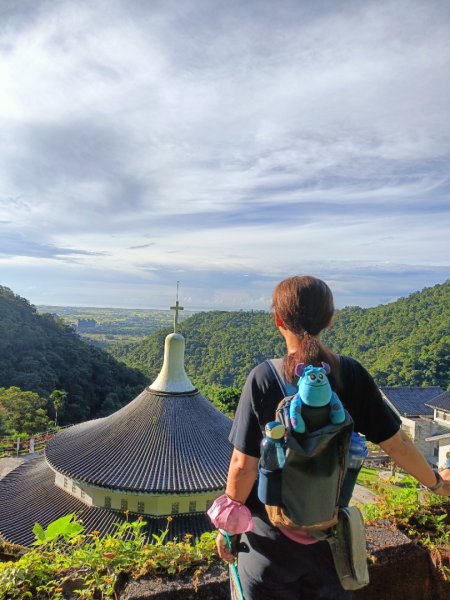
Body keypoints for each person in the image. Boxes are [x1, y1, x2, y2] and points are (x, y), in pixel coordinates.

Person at [212, 275, 450, 600]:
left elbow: (242, 466)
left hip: (268, 544)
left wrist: (228, 528)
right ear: (330, 320)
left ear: (278, 319)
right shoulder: (350, 373)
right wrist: (437, 484)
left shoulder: (263, 378)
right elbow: (398, 444)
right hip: (329, 543)